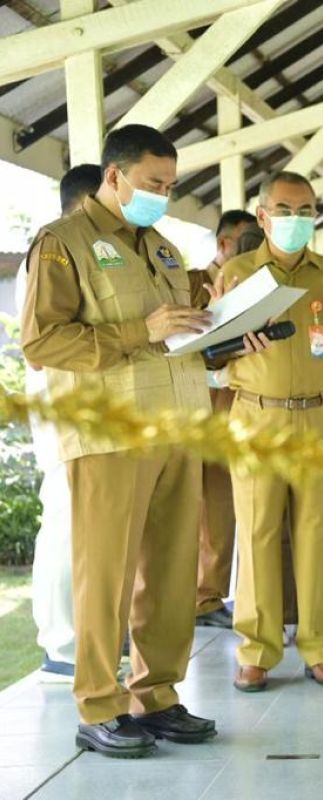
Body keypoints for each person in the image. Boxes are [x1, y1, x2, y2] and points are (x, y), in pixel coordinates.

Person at [21, 125, 263, 757]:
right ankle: (99, 704)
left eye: (170, 185)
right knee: (107, 573)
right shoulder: (62, 243)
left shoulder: (162, 248)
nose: (163, 194)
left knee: (170, 570)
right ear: (114, 176)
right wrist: (141, 329)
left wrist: (228, 337)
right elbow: (43, 342)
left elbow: (177, 336)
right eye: (154, 184)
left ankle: (155, 694)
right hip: (110, 434)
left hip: (179, 425)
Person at [223, 171, 323, 693]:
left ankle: (320, 647)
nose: (295, 220)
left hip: (317, 414)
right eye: (284, 210)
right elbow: (212, 354)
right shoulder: (237, 273)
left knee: (314, 531)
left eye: (306, 210)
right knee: (258, 530)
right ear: (262, 216)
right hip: (256, 415)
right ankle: (257, 651)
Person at [17, 163, 101, 681]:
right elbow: (40, 347)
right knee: (66, 517)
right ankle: (60, 645)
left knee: (86, 522)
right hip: (60, 403)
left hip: (90, 405)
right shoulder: (50, 251)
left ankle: (82, 638)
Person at [192, 209, 258, 629]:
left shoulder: (257, 283)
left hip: (234, 409)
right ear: (223, 244)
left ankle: (208, 596)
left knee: (220, 509)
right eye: (244, 241)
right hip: (191, 407)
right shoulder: (192, 282)